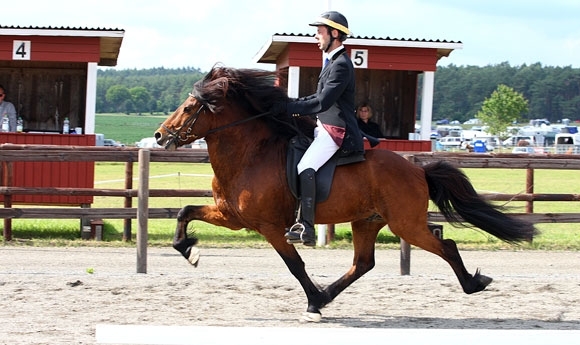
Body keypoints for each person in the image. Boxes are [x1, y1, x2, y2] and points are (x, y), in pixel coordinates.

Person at [273, 11, 363, 246]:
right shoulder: (332, 62)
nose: (316, 37)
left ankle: (307, 226)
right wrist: (290, 105)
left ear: (334, 34)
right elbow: (316, 97)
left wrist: (289, 108)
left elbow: (322, 102)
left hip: (336, 130)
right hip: (322, 126)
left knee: (305, 165)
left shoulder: (341, 64)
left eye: (319, 32)